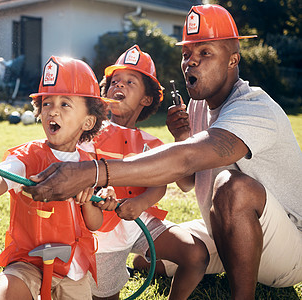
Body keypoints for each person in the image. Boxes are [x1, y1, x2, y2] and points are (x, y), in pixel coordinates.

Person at [23, 4, 302, 300]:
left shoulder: (254, 106)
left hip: (288, 249)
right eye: (186, 55)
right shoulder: (197, 107)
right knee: (149, 259)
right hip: (225, 227)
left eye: (205, 53)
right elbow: (188, 180)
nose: (190, 63)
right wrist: (183, 135)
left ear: (233, 59)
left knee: (233, 187)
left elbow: (189, 157)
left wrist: (91, 172)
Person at [0, 56, 108, 300]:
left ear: (88, 121)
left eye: (65, 104)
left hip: (73, 269)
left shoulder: (89, 167)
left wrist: (89, 200)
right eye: (47, 103)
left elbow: (95, 223)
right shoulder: (27, 157)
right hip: (28, 262)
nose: (53, 110)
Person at [78, 45, 208, 300]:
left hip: (142, 224)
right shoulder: (90, 134)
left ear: (146, 99)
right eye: (114, 81)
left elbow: (160, 184)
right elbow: (83, 175)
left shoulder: (153, 143)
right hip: (102, 233)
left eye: (130, 82)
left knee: (196, 255)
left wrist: (140, 203)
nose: (120, 86)